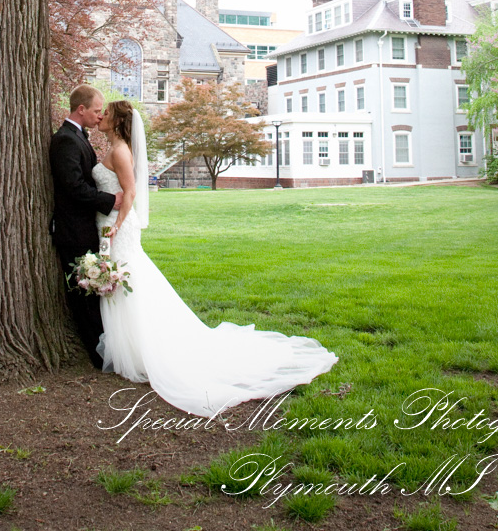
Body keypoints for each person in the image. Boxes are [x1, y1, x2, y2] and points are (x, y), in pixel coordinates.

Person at [94, 99, 338, 417]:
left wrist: (118, 227)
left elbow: (131, 193)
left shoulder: (122, 151)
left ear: (118, 121)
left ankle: (143, 350)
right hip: (108, 225)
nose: (101, 116)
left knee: (129, 281)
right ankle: (131, 347)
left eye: (107, 114)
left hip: (118, 229)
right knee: (125, 282)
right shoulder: (112, 148)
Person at [50, 84, 121, 368]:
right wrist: (109, 200)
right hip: (73, 230)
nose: (99, 115)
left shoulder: (79, 135)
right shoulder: (66, 139)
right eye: (95, 110)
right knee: (83, 295)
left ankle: (102, 349)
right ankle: (98, 354)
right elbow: (73, 187)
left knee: (92, 292)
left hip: (85, 227)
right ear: (81, 110)